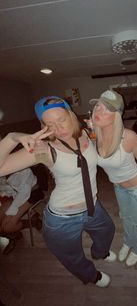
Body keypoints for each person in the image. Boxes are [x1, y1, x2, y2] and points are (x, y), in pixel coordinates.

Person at [0, 96, 116, 288]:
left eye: (61, 119)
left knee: (107, 230)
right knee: (71, 255)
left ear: (70, 114)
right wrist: (13, 137)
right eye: (50, 124)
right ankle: (91, 275)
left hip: (92, 206)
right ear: (43, 126)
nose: (59, 128)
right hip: (63, 218)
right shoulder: (44, 149)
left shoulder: (87, 133)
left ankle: (100, 252)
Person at [89, 90, 137, 267]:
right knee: (126, 218)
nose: (99, 111)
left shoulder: (128, 136)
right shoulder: (93, 136)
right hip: (118, 188)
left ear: (117, 115)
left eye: (107, 109)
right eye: (98, 106)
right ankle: (128, 242)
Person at [0, 168, 43, 254]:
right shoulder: (3, 171)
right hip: (14, 195)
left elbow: (24, 193)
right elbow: (4, 190)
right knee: (3, 224)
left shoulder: (22, 170)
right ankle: (13, 235)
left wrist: (10, 213)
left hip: (31, 194)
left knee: (7, 226)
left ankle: (33, 222)